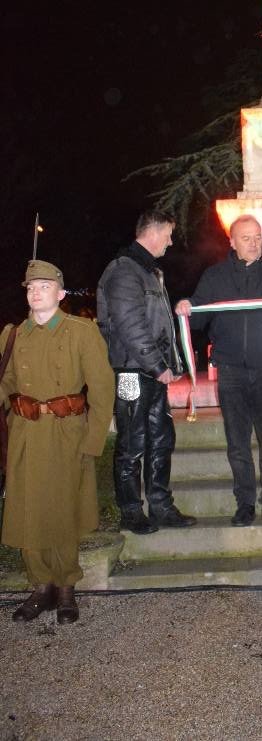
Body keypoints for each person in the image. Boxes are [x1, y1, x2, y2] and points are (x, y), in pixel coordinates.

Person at [0, 260, 115, 624]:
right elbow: (6, 382)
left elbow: (102, 388)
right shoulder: (13, 335)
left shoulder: (81, 331)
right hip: (25, 433)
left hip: (66, 434)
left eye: (44, 286)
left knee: (63, 510)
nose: (36, 292)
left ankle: (65, 586)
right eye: (31, 287)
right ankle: (41, 586)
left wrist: (93, 441)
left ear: (60, 293)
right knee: (28, 509)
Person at [176, 215, 262, 527]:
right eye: (246, 238)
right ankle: (244, 503)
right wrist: (187, 307)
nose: (253, 243)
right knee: (238, 442)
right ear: (231, 242)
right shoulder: (215, 276)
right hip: (231, 370)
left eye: (257, 236)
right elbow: (199, 317)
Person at [97, 209, 196, 534]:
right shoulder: (125, 270)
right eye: (168, 234)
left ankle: (161, 506)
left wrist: (166, 366)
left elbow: (156, 325)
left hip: (149, 373)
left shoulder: (147, 271)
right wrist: (158, 366)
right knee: (132, 443)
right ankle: (131, 512)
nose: (170, 242)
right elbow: (131, 326)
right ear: (153, 232)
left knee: (161, 439)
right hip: (131, 373)